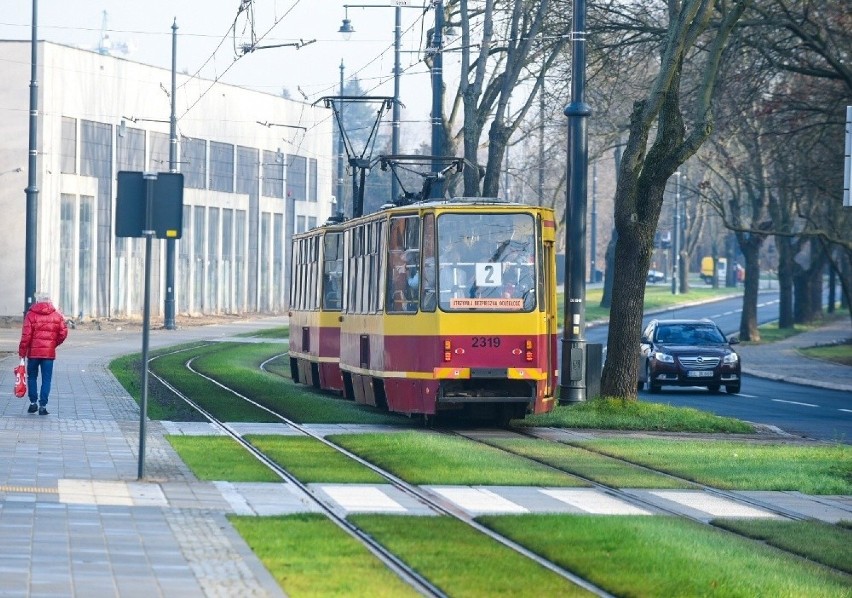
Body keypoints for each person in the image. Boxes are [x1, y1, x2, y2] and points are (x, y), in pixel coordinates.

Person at [18, 292, 68, 415]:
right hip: (48, 355)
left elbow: (26, 336)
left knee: (32, 378)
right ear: (49, 300)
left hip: (33, 354)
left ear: (37, 301)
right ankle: (43, 406)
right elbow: (63, 333)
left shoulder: (30, 315)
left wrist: (22, 353)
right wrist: (53, 344)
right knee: (46, 380)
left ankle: (33, 403)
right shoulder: (57, 315)